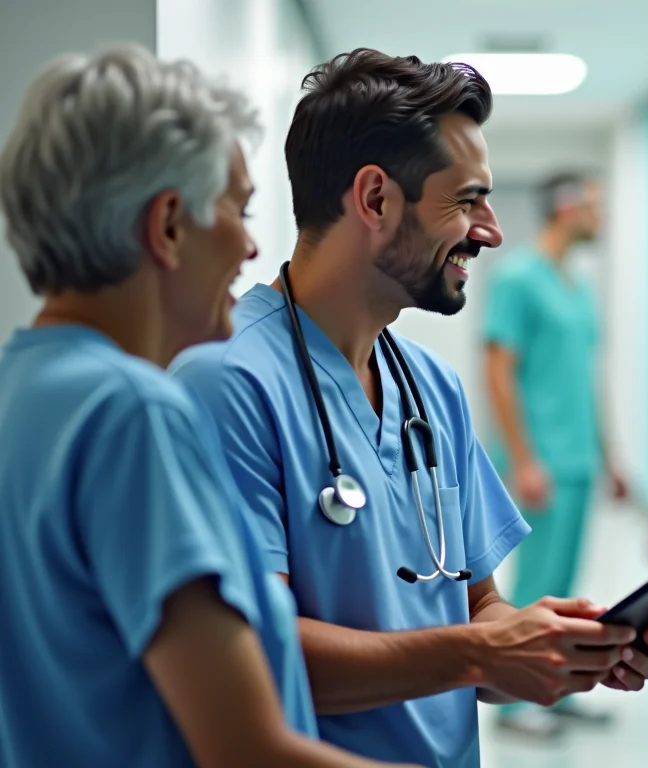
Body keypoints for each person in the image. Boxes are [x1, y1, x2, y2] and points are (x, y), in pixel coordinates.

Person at [170, 50, 648, 768]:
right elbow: (256, 657)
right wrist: (480, 653)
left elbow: (477, 612)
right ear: (376, 199)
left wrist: (552, 649)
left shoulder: (431, 390)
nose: (491, 230)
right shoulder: (225, 382)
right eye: (467, 200)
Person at [0, 44, 413, 768]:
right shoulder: (130, 413)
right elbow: (247, 750)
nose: (252, 247)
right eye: (237, 208)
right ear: (166, 226)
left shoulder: (22, 393)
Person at [482, 172, 631, 736]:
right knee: (536, 580)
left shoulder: (577, 285)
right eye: (595, 205)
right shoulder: (519, 278)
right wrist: (523, 458)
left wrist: (610, 455)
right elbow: (499, 369)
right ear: (566, 208)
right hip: (539, 460)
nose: (602, 217)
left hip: (578, 460)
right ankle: (516, 702)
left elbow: (589, 379)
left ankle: (557, 687)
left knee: (566, 583)